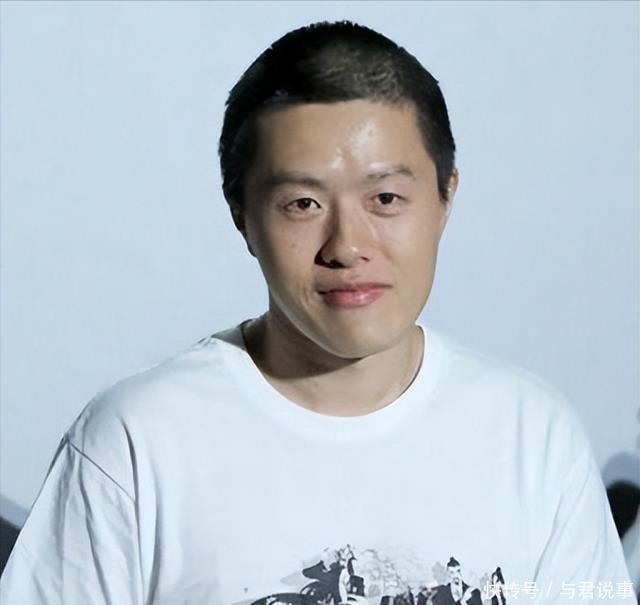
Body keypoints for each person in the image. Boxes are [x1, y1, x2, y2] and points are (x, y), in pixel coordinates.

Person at [0, 19, 634, 605]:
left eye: (386, 198)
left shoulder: (533, 438)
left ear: (446, 198)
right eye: (303, 204)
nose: (347, 246)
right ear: (242, 214)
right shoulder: (135, 443)